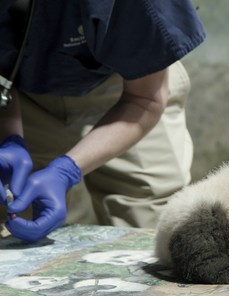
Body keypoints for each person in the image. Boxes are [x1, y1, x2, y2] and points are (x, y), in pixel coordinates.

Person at [0, 0, 205, 242]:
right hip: (21, 93)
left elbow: (145, 99)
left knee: (154, 235)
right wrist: (9, 138)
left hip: (128, 87)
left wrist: (66, 171)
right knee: (15, 229)